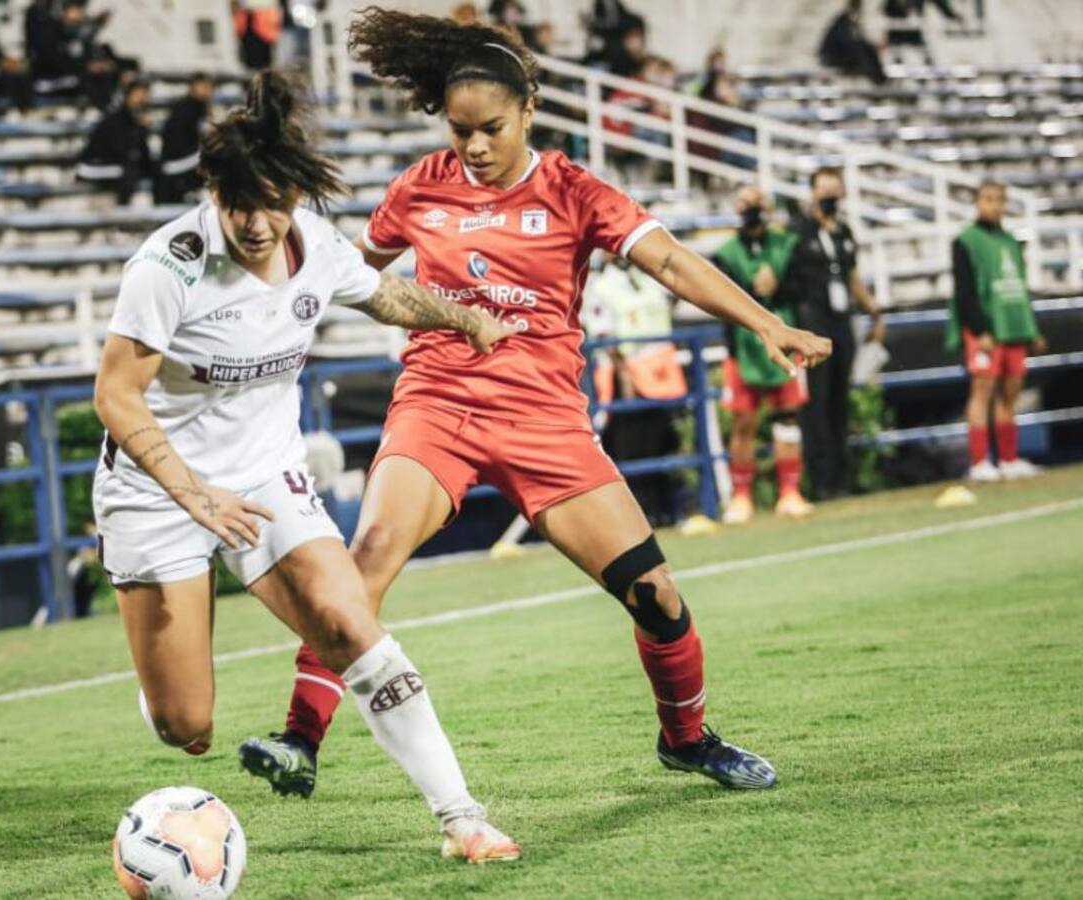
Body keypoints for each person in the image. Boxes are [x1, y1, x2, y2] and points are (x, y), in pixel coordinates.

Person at [269, 7, 831, 802]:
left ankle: (688, 739)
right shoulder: (419, 188)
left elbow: (667, 260)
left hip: (544, 419)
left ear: (528, 109)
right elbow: (356, 271)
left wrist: (768, 324)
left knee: (656, 598)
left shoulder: (573, 190)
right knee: (367, 563)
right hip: (438, 405)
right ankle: (299, 738)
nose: (474, 146)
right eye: (460, 130)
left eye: (491, 127)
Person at [91, 69, 521, 863]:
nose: (258, 223)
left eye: (276, 202)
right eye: (241, 204)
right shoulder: (169, 268)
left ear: (299, 195)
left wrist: (466, 319)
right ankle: (165, 687)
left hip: (264, 474)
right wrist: (191, 495)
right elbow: (116, 397)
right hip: (159, 492)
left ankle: (463, 820)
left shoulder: (313, 244)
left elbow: (384, 295)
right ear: (214, 192)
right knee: (188, 727)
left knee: (349, 618)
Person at [781, 168, 885, 501]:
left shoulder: (844, 231)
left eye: (834, 191)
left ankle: (844, 477)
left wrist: (873, 310)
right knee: (816, 405)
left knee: (840, 401)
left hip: (842, 324)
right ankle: (821, 481)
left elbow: (852, 275)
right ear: (812, 193)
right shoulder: (798, 232)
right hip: (812, 326)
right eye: (824, 191)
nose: (830, 198)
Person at [711, 186, 812, 524]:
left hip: (783, 340)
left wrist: (777, 286)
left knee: (788, 419)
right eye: (745, 203)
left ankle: (790, 492)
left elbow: (802, 291)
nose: (751, 209)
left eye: (756, 203)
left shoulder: (787, 245)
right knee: (743, 423)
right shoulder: (726, 253)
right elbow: (718, 300)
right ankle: (742, 497)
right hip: (743, 346)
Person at [947, 180, 1045, 482]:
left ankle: (1008, 458)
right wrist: (979, 330)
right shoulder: (965, 241)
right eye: (988, 199)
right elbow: (964, 292)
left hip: (1013, 330)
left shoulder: (1011, 242)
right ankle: (979, 461)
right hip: (985, 332)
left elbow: (1019, 288)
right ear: (977, 202)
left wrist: (1032, 329)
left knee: (1010, 395)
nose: (995, 205)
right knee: (982, 393)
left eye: (1000, 200)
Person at [583, 253, 687, 527]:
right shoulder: (602, 286)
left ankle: (668, 510)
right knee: (631, 447)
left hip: (661, 372)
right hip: (626, 376)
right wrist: (624, 374)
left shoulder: (646, 278)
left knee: (663, 441)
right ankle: (641, 518)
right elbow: (603, 333)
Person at [76, 78, 154, 204]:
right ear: (128, 96)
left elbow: (142, 153)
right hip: (92, 167)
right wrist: (140, 129)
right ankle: (122, 213)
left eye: (145, 95)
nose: (141, 99)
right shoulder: (116, 118)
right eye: (137, 94)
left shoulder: (135, 120)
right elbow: (121, 150)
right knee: (129, 172)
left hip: (111, 164)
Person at [154, 72, 213, 204]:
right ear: (192, 87)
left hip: (189, 158)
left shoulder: (201, 107)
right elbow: (177, 142)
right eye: (202, 86)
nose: (206, 90)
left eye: (208, 87)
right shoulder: (184, 109)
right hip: (174, 161)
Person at [819, 0, 886, 85]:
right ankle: (878, 79)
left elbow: (859, 41)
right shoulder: (842, 22)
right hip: (832, 57)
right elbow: (844, 43)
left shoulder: (850, 22)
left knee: (867, 49)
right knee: (862, 50)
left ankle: (879, 79)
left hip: (843, 55)